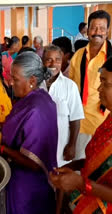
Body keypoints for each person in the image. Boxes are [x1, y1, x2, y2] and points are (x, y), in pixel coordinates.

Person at [0, 51, 57, 214]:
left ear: (32, 80)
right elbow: (20, 126)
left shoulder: (36, 109)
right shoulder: (35, 98)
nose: (10, 83)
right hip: (22, 178)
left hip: (28, 186)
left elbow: (33, 162)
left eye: (15, 79)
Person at [50, 57, 112, 214]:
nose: (99, 89)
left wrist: (81, 183)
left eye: (106, 84)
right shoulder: (109, 120)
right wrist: (75, 165)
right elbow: (100, 160)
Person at [69, 10, 112, 160]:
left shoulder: (111, 58)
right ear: (87, 31)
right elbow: (72, 89)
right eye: (93, 28)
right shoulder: (78, 55)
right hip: (78, 124)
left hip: (104, 124)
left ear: (108, 31)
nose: (97, 32)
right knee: (79, 167)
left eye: (102, 28)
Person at [42, 45, 84, 167]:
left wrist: (72, 145)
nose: (53, 64)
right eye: (49, 59)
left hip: (60, 147)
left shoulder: (70, 86)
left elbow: (75, 118)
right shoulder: (35, 84)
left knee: (59, 179)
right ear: (43, 61)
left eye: (57, 60)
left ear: (62, 61)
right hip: (38, 146)